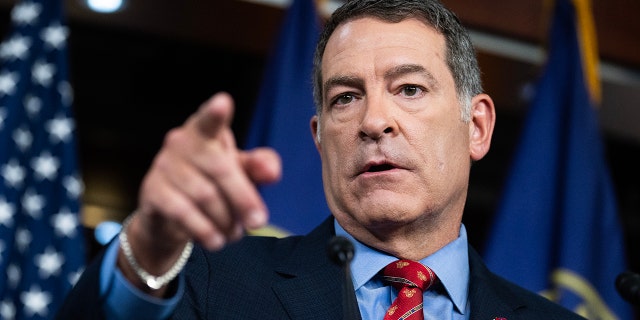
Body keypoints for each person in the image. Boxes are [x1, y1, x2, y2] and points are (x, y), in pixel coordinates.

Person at [58, 0, 585, 319]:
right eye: (345, 98)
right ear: (318, 138)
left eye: (408, 88)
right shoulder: (210, 281)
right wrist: (147, 247)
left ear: (477, 127)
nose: (374, 121)